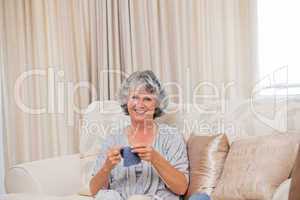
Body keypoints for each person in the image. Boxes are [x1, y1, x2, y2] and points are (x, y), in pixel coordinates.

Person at [89, 70, 189, 200]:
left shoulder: (171, 136)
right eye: (135, 97)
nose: (140, 104)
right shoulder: (113, 139)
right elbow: (93, 191)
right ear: (126, 100)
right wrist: (106, 167)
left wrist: (155, 158)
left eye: (147, 99)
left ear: (157, 103)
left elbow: (181, 188)